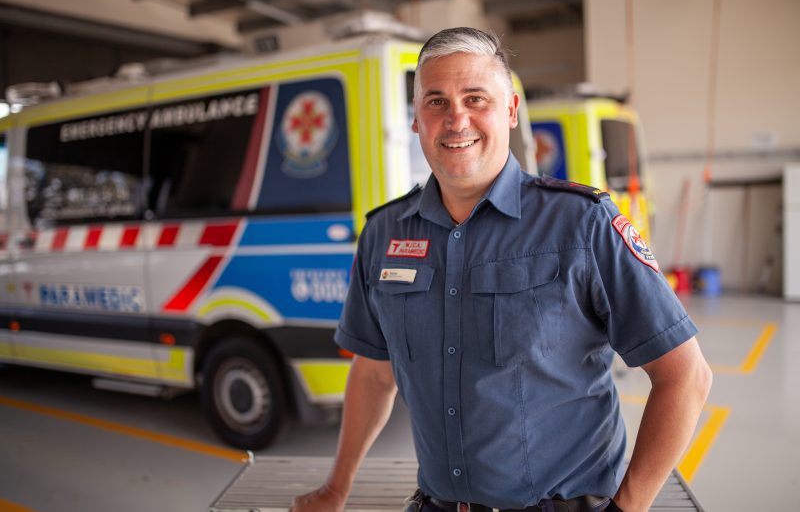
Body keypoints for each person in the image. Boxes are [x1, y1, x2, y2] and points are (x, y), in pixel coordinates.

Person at [290, 27, 712, 512]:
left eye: (475, 99)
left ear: (510, 110)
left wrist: (628, 507)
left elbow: (686, 376)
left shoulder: (580, 223)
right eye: (436, 102)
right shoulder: (384, 234)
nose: (456, 120)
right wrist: (335, 489)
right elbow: (371, 375)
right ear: (415, 120)